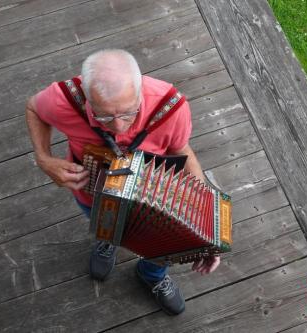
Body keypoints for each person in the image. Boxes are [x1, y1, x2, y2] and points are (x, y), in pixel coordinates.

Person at [25, 49, 220, 315]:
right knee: (104, 225)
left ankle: (152, 274)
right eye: (103, 116)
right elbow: (34, 108)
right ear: (86, 99)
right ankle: (108, 240)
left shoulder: (171, 107)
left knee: (163, 242)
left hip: (153, 203)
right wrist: (44, 159)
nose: (118, 126)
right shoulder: (66, 99)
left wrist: (206, 238)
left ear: (141, 90)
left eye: (129, 113)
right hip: (93, 197)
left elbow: (182, 152)